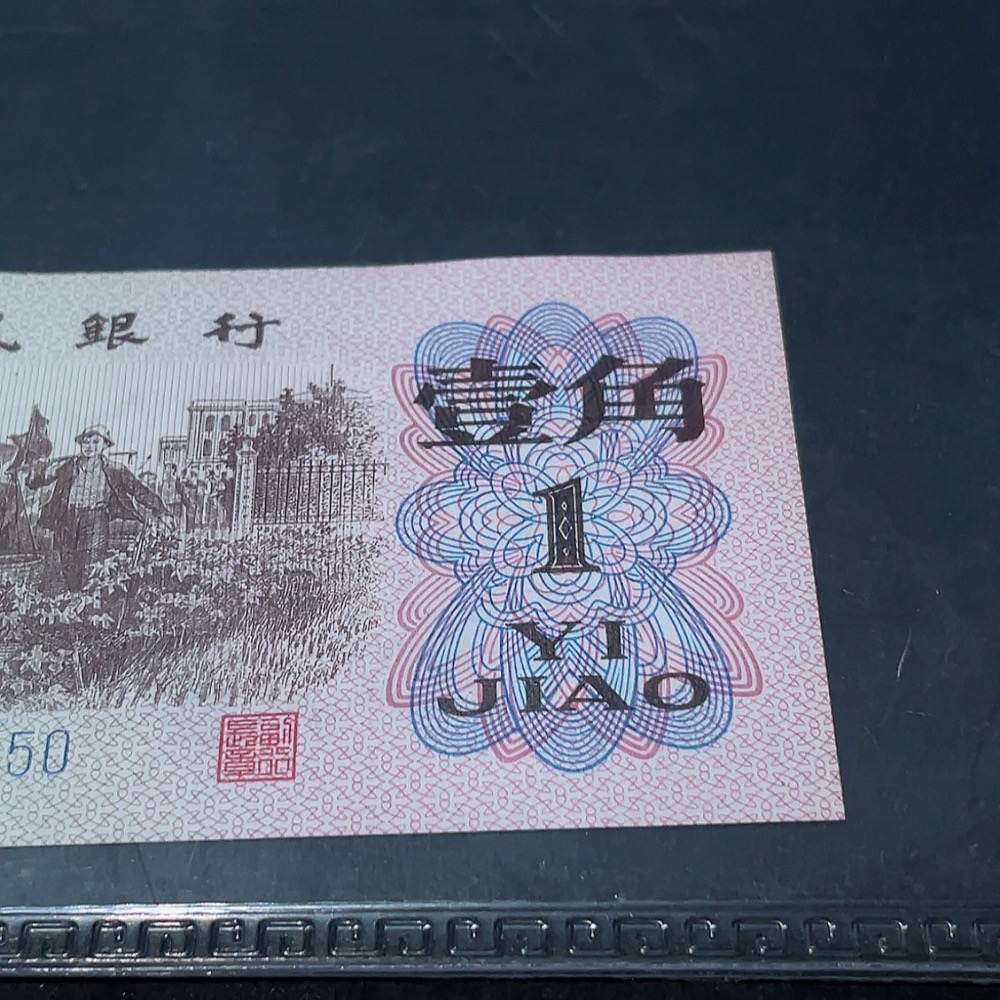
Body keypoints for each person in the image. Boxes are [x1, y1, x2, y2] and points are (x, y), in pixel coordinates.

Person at [26, 424, 170, 591]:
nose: (89, 446)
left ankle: (88, 600)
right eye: (85, 442)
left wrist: (162, 511)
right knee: (69, 565)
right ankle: (75, 598)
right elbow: (37, 481)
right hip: (69, 520)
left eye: (95, 442)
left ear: (105, 445)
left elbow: (139, 490)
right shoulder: (68, 466)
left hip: (96, 520)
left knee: (92, 565)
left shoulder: (114, 469)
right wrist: (35, 469)